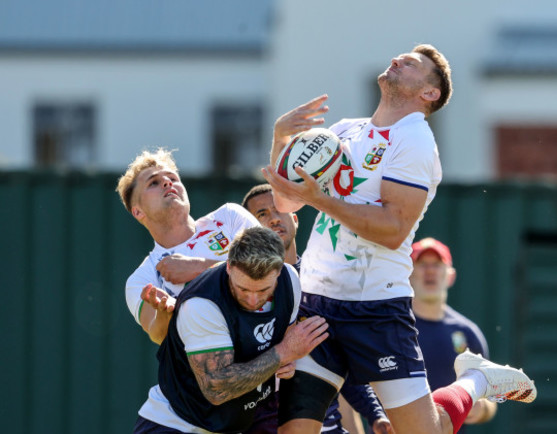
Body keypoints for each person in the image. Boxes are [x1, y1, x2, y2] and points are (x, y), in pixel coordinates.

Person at [262, 43, 536, 434]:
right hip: (316, 301)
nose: (396, 59)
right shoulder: (342, 131)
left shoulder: (414, 139)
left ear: (430, 93)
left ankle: (476, 380)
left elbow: (392, 230)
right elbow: (285, 201)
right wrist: (280, 140)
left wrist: (320, 199)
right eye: (399, 57)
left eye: (410, 63)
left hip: (375, 306)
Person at [132, 226, 330, 433]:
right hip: (178, 423)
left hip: (238, 422)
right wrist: (283, 354)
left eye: (263, 290)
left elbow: (283, 345)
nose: (253, 300)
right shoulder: (202, 305)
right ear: (228, 267)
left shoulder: (290, 281)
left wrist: (286, 363)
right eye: (243, 289)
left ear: (279, 271)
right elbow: (217, 390)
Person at [242, 183, 393, 434]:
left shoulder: (323, 285)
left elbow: (340, 360)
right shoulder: (238, 290)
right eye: (262, 214)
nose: (273, 218)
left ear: (295, 218)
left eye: (279, 209)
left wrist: (376, 415)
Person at [116, 148, 259, 344]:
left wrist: (199, 268)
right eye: (153, 183)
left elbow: (273, 265)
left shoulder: (230, 217)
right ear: (138, 212)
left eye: (173, 178)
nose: (167, 183)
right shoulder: (142, 279)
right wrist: (164, 313)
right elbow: (158, 335)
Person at [410, 238, 497, 432]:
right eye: (422, 264)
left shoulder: (468, 333)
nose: (430, 271)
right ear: (408, 274)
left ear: (451, 276)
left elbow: (491, 400)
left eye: (437, 265)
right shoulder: (392, 329)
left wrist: (481, 409)